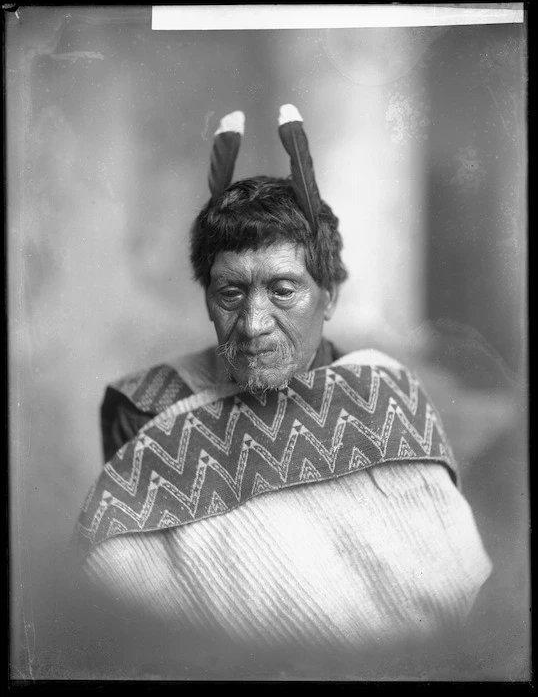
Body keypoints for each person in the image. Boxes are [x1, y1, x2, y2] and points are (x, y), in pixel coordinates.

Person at [74, 105, 492, 679]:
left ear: (330, 297)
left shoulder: (385, 398)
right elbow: (137, 611)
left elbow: (451, 603)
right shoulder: (145, 406)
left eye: (283, 290)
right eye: (230, 293)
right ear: (206, 297)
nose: (252, 324)